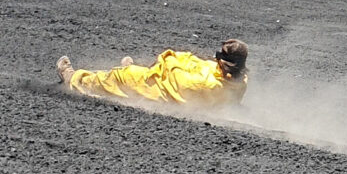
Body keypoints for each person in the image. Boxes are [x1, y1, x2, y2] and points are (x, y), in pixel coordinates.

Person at [59, 38, 248, 108]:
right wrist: (180, 57)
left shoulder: (209, 84)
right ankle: (134, 70)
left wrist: (169, 57)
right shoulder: (239, 78)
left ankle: (74, 79)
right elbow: (197, 64)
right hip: (170, 82)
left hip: (164, 93)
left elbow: (177, 78)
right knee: (140, 71)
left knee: (119, 78)